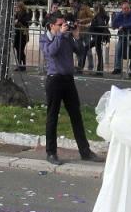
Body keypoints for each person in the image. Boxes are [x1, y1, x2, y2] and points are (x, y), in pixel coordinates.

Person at [40, 13, 99, 168]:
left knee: (76, 115)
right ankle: (51, 152)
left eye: (63, 24)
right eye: (59, 24)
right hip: (54, 80)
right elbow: (51, 52)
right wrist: (60, 35)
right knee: (52, 116)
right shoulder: (45, 38)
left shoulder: (66, 37)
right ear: (51, 25)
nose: (62, 27)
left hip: (68, 80)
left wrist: (77, 36)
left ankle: (85, 151)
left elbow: (80, 52)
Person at [110, 0, 131, 77]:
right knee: (118, 49)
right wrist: (120, 25)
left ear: (129, 8)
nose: (126, 10)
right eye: (124, 8)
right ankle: (118, 68)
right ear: (122, 9)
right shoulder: (120, 14)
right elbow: (114, 24)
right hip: (123, 37)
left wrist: (123, 26)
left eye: (127, 8)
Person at [89, 1, 109, 76]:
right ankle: (99, 70)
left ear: (97, 9)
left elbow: (100, 24)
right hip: (98, 36)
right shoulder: (102, 15)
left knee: (98, 53)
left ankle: (99, 71)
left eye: (94, 8)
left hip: (97, 36)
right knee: (99, 53)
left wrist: (93, 27)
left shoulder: (99, 16)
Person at [13, 1, 31, 71]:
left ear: (20, 7)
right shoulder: (17, 14)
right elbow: (14, 21)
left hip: (23, 34)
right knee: (18, 50)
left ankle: (23, 65)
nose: (16, 8)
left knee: (21, 50)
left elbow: (26, 21)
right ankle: (20, 64)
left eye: (17, 7)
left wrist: (18, 21)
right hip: (17, 34)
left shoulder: (25, 13)